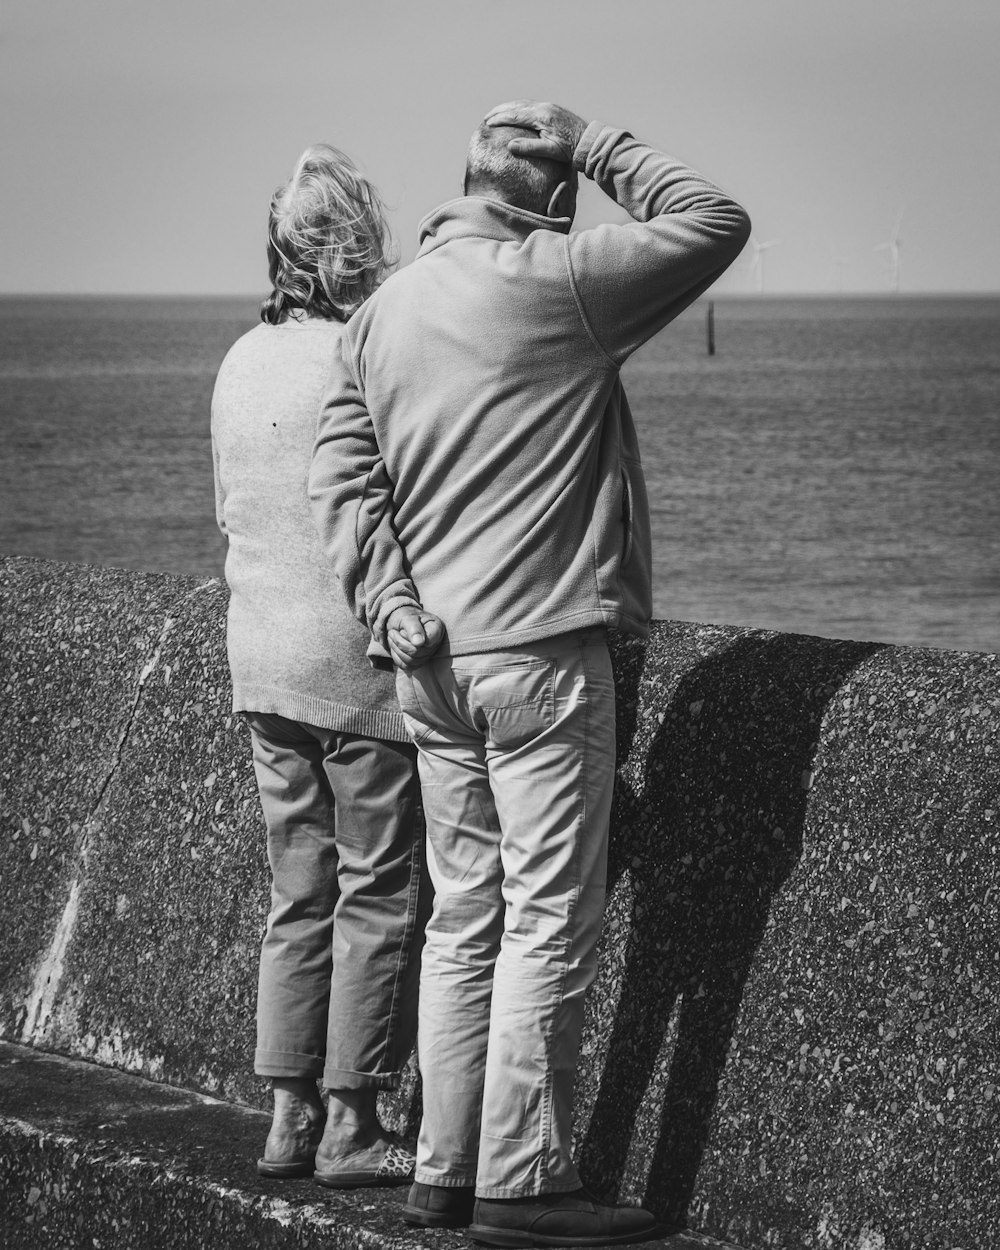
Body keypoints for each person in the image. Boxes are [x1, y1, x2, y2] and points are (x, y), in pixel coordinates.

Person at [309, 101, 750, 1244]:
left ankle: (441, 1169)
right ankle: (522, 1183)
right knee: (549, 916)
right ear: (552, 197)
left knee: (462, 919)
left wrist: (392, 602)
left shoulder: (379, 312)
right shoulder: (560, 277)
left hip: (429, 662)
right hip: (541, 654)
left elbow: (342, 484)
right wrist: (600, 144)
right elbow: (713, 220)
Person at [211, 144, 426, 1191]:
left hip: (261, 657)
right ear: (354, 249)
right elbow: (396, 506)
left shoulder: (238, 360)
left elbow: (234, 511)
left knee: (296, 889)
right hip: (353, 661)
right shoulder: (365, 351)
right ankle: (352, 1122)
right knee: (378, 893)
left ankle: (286, 1116)